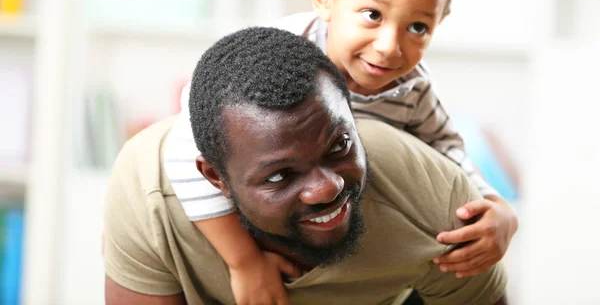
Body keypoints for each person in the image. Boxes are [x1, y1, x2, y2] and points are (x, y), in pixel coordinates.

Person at [163, 0, 518, 303]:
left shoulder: (412, 89)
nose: (389, 46)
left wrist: (495, 204)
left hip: (363, 246)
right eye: (372, 15)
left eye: (417, 26)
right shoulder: (277, 54)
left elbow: (448, 149)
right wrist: (244, 262)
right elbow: (181, 153)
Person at [104, 27, 509, 304]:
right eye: (280, 175)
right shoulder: (150, 195)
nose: (326, 188)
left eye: (339, 146)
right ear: (214, 178)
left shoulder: (433, 199)